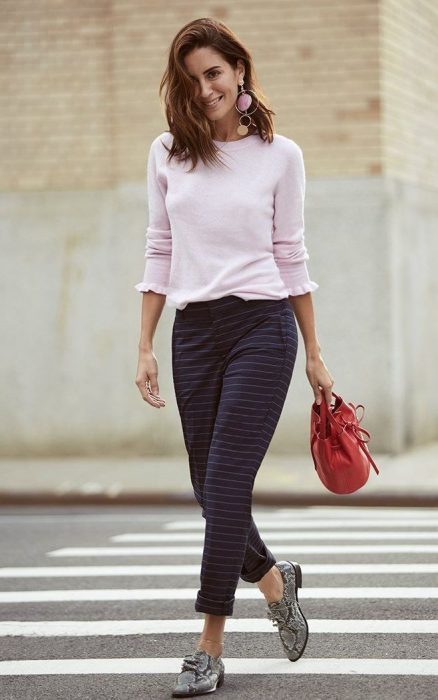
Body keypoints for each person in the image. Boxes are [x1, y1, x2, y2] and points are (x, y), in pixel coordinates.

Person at [134, 16, 334, 698]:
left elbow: (291, 256)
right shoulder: (168, 153)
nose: (205, 89)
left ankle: (208, 646)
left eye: (214, 73)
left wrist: (314, 352)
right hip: (192, 332)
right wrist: (144, 346)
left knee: (224, 486)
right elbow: (158, 250)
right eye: (191, 79)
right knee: (207, 487)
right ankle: (276, 580)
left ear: (239, 71)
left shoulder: (281, 155)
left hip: (263, 330)